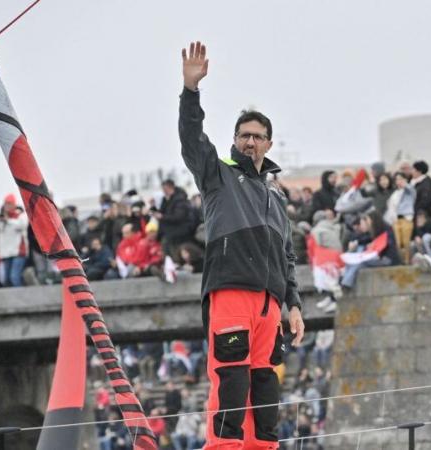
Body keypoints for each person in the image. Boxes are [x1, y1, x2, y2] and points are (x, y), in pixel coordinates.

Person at [179, 41, 304, 450]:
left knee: (265, 384)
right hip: (231, 289)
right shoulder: (217, 173)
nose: (251, 142)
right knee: (231, 377)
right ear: (235, 139)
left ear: (270, 144)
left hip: (270, 301)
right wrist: (190, 90)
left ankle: (263, 448)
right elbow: (191, 139)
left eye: (259, 136)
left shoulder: (276, 196)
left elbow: (287, 256)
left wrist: (295, 305)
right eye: (245, 135)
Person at [340, 211, 400, 289]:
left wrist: (377, 247)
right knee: (357, 261)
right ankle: (345, 280)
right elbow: (366, 238)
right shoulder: (375, 230)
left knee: (361, 261)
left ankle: (346, 283)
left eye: (368, 219)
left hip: (386, 258)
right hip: (379, 256)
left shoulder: (386, 229)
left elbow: (388, 244)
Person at [0, 194, 28, 287]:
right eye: (6, 204)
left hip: (18, 252)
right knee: (7, 279)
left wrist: (8, 220)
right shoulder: (1, 218)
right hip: (6, 253)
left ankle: (22, 299)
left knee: (14, 277)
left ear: (14, 204)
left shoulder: (20, 216)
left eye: (10, 203)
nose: (7, 206)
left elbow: (22, 226)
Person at [156, 179, 194, 261]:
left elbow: (178, 217)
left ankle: (175, 264)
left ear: (170, 187)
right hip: (169, 230)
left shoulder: (180, 199)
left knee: (169, 245)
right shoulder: (166, 199)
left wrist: (162, 217)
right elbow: (162, 211)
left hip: (180, 230)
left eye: (165, 189)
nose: (164, 191)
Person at [384, 172, 416, 264]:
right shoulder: (394, 193)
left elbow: (411, 189)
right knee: (398, 243)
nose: (399, 181)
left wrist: (405, 184)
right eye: (397, 179)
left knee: (406, 242)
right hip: (395, 220)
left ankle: (407, 261)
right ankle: (400, 261)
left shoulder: (409, 191)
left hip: (406, 218)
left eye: (401, 179)